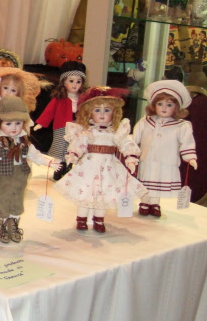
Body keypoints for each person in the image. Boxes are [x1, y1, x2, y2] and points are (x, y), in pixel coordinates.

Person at [54, 87, 147, 233]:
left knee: (104, 193)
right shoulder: (87, 131)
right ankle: (81, 218)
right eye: (97, 110)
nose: (102, 114)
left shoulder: (115, 132)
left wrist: (130, 158)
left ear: (114, 113)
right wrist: (73, 154)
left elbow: (125, 143)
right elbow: (79, 144)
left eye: (107, 110)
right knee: (85, 192)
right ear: (89, 113)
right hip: (89, 166)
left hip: (109, 167)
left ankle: (98, 219)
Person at [0, 97, 57, 243]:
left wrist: (49, 162)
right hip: (1, 179)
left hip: (20, 177)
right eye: (8, 123)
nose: (14, 127)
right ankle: (1, 227)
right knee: (2, 202)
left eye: (18, 123)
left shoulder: (24, 142)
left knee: (17, 203)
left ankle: (13, 225)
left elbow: (35, 155)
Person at [133, 80, 197, 218]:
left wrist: (190, 158)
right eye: (160, 104)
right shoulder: (145, 121)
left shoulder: (181, 126)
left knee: (158, 182)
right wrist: (130, 154)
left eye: (169, 105)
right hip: (147, 160)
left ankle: (155, 203)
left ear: (176, 107)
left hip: (167, 162)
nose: (164, 108)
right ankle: (145, 202)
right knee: (146, 180)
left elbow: (187, 143)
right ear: (154, 105)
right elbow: (134, 139)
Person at [33, 61, 88, 180]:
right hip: (61, 128)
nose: (75, 85)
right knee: (60, 148)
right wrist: (41, 123)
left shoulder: (83, 100)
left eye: (78, 82)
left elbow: (88, 113)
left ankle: (71, 168)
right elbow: (49, 111)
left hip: (78, 129)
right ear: (63, 82)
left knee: (75, 149)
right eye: (71, 81)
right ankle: (60, 168)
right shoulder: (60, 98)